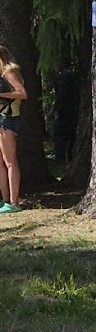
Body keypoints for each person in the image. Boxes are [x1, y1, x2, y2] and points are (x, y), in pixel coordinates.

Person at [0, 47, 27, 213]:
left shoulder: (9, 72)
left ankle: (14, 201)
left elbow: (22, 93)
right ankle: (4, 200)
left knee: (10, 161)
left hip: (8, 118)